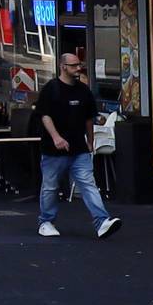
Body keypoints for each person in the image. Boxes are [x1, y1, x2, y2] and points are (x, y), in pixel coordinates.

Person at [33, 51, 119, 239]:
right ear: (63, 67)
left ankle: (102, 221)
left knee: (88, 183)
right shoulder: (52, 88)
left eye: (78, 65)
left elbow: (88, 117)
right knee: (51, 186)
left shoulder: (83, 90)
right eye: (73, 65)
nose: (78, 68)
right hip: (53, 150)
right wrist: (56, 137)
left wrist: (90, 140)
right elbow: (44, 115)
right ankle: (46, 221)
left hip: (78, 147)